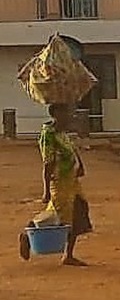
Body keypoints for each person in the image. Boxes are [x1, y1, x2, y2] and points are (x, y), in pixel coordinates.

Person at [19, 104, 93, 266]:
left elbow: (72, 150)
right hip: (59, 182)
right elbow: (48, 163)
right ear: (55, 114)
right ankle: (29, 233)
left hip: (71, 181)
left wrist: (80, 165)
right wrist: (46, 190)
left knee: (78, 213)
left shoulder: (62, 133)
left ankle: (68, 255)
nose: (69, 115)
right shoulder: (49, 135)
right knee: (57, 216)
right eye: (66, 112)